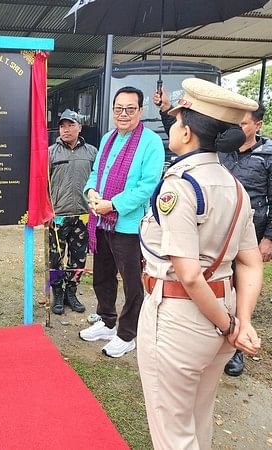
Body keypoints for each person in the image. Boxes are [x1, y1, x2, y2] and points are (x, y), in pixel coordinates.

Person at [138, 78, 263, 450]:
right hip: (221, 311)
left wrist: (229, 324)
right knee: (197, 419)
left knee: (173, 435)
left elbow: (189, 276)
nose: (173, 128)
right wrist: (242, 322)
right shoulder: (234, 186)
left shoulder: (180, 185)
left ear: (187, 132)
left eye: (176, 121)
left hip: (180, 317)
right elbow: (251, 262)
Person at [154, 89, 272, 377]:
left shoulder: (271, 156)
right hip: (215, 233)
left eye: (241, 124)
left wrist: (270, 237)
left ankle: (236, 340)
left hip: (238, 236)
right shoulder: (225, 167)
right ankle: (235, 332)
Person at [79, 86, 165, 358]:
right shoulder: (107, 138)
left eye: (130, 109)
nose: (123, 114)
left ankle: (127, 334)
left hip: (128, 224)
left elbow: (148, 185)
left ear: (141, 110)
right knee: (102, 274)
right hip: (101, 221)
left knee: (131, 281)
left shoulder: (150, 142)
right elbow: (96, 173)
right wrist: (91, 192)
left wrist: (113, 204)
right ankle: (106, 320)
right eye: (118, 109)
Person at [47, 109, 97, 315]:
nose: (66, 130)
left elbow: (98, 181)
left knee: (79, 258)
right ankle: (57, 293)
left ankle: (71, 292)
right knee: (55, 258)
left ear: (79, 127)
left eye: (70, 125)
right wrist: (46, 212)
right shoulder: (50, 153)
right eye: (62, 126)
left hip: (83, 216)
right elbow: (42, 185)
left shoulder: (92, 152)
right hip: (58, 215)